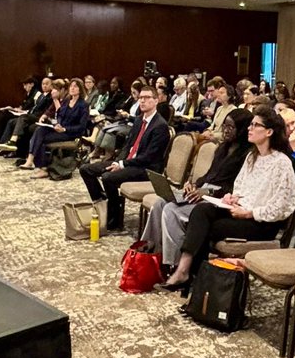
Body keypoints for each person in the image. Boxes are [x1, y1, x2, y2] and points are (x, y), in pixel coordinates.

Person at [162, 106, 295, 289]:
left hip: (261, 223)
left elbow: (283, 206)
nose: (249, 128)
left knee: (205, 226)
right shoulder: (252, 157)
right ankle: (187, 273)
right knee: (202, 211)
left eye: (255, 125)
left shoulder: (282, 163)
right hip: (239, 211)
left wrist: (249, 213)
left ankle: (193, 278)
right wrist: (231, 198)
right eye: (250, 124)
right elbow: (240, 187)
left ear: (269, 132)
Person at [142, 109, 252, 271]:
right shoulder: (222, 148)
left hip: (219, 200)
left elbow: (236, 188)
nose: (226, 130)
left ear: (242, 129)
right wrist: (193, 184)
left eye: (232, 127)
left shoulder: (247, 155)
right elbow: (209, 176)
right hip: (203, 191)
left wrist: (207, 192)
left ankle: (172, 263)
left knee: (171, 210)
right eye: (225, 126)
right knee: (160, 203)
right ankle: (151, 252)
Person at [78, 85, 170, 232]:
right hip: (130, 162)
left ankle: (114, 218)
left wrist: (122, 164)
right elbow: (127, 146)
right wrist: (117, 161)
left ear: (156, 100)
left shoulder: (160, 126)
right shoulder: (139, 120)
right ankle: (103, 202)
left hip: (146, 168)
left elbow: (148, 157)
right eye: (141, 98)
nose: (142, 101)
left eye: (147, 98)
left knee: (108, 177)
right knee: (86, 169)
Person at [23, 78, 89, 177]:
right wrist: (58, 124)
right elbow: (60, 115)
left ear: (80, 89)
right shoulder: (67, 101)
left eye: (75, 86)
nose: (72, 88)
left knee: (42, 140)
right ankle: (32, 160)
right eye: (71, 86)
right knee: (40, 130)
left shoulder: (83, 105)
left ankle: (42, 167)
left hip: (71, 133)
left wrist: (64, 129)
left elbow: (81, 127)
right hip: (60, 129)